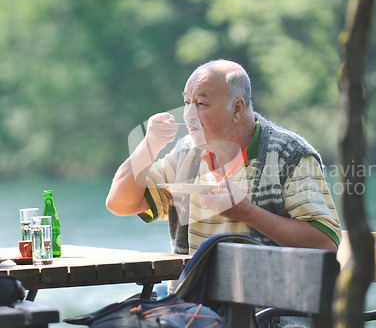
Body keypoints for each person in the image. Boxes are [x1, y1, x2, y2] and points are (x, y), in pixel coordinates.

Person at [106, 59, 341, 255]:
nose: (188, 115)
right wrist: (148, 146)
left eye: (201, 104)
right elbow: (120, 203)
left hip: (265, 308)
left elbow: (325, 244)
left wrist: (245, 211)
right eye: (186, 102)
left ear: (237, 109)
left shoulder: (290, 156)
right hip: (194, 306)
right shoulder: (188, 153)